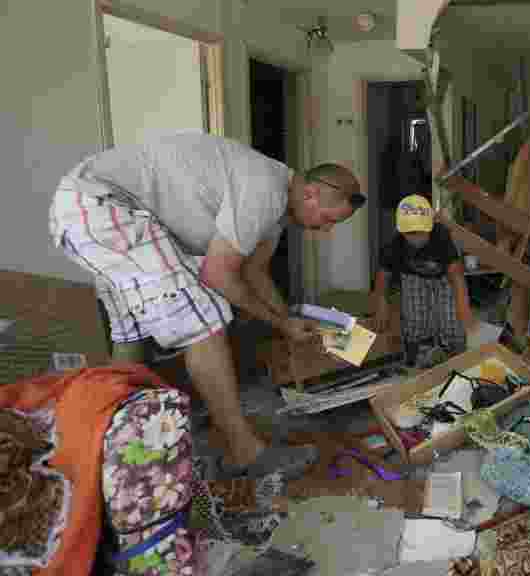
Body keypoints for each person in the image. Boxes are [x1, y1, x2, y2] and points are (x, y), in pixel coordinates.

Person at [48, 132, 365, 480]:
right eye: (330, 218)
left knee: (131, 336)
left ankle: (104, 445)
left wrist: (286, 321)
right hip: (104, 206)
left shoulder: (276, 209)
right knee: (206, 322)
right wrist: (281, 324)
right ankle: (246, 451)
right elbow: (217, 274)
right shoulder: (264, 190)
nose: (327, 230)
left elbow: (254, 271)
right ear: (310, 193)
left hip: (87, 209)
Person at [367, 194, 477, 367]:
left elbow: (456, 275)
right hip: (413, 277)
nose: (416, 237)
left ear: (431, 226)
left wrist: (463, 307)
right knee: (414, 319)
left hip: (444, 278)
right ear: (401, 231)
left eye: (421, 232)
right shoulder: (393, 245)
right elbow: (383, 276)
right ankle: (414, 359)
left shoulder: (442, 237)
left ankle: (457, 358)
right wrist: (381, 304)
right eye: (411, 233)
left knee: (451, 321)